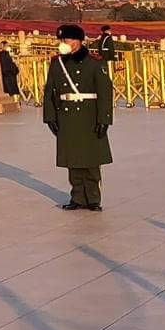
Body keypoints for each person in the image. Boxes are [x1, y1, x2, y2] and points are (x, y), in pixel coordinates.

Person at [44, 23, 113, 211]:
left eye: (71, 39)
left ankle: (92, 198)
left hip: (89, 115)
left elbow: (105, 91)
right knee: (72, 160)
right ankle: (77, 197)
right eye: (64, 39)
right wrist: (50, 116)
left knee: (90, 160)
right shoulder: (57, 63)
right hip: (67, 116)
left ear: (80, 41)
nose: (67, 43)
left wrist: (105, 119)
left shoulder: (94, 62)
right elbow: (50, 90)